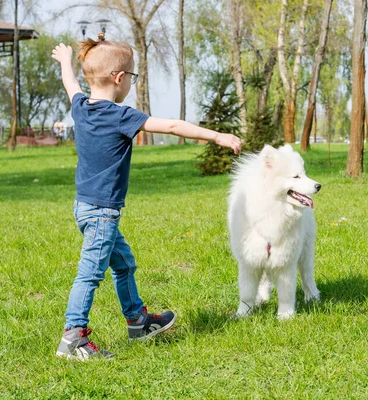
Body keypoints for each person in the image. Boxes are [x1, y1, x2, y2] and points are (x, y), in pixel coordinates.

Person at [51, 33, 242, 361]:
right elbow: (171, 125)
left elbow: (70, 83)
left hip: (85, 208)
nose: (131, 86)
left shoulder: (80, 107)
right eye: (132, 78)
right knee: (91, 273)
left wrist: (66, 62)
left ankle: (138, 321)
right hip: (102, 214)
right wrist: (217, 136)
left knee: (124, 264)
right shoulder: (119, 116)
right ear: (119, 78)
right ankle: (74, 337)